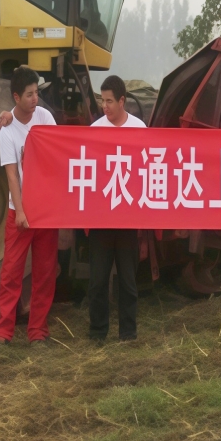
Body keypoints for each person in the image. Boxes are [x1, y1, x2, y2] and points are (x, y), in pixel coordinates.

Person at [0, 66, 59, 344]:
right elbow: (11, 174)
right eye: (30, 95)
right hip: (19, 211)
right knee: (11, 272)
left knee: (44, 272)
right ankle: (3, 332)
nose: (35, 100)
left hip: (46, 211)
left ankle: (37, 331)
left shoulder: (45, 117)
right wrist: (20, 210)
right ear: (16, 97)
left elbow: (58, 156)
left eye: (37, 93)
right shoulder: (8, 130)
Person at [87, 75, 145, 342]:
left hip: (128, 218)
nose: (104, 106)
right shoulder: (95, 129)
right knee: (98, 280)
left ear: (122, 101)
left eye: (109, 101)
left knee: (128, 281)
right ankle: (98, 332)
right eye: (102, 100)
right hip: (100, 218)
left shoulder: (139, 129)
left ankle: (128, 333)